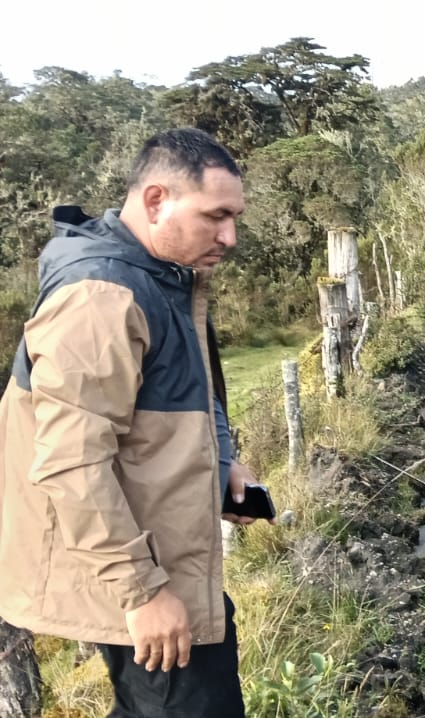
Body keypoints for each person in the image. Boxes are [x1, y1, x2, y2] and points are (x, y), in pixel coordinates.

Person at [0, 128, 268, 717]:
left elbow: (177, 399)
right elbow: (70, 461)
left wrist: (221, 463)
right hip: (136, 572)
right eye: (216, 216)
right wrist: (142, 593)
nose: (229, 236)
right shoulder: (101, 297)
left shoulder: (161, 275)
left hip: (163, 554)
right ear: (155, 200)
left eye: (234, 217)